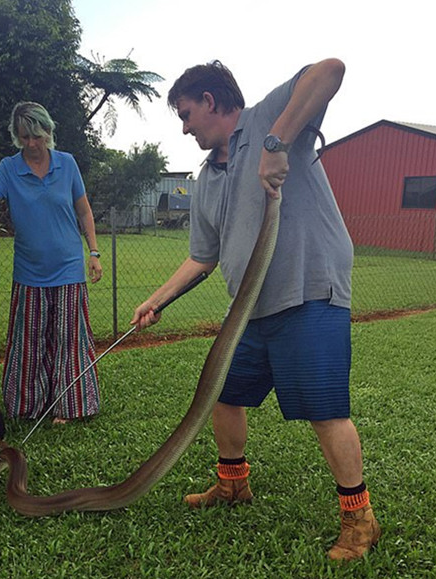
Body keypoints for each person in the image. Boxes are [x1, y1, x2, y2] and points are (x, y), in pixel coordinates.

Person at [131, 59, 380, 561]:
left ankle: (360, 520)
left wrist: (275, 143)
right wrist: (157, 299)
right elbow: (203, 256)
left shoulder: (269, 116)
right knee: (224, 392)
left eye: (185, 113)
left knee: (324, 410)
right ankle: (232, 484)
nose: (183, 127)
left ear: (210, 101)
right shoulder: (205, 179)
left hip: (308, 290)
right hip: (251, 308)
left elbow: (329, 70)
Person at [0, 101, 102, 424]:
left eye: (37, 136)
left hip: (69, 269)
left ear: (48, 132)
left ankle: (68, 407)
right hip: (29, 272)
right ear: (17, 137)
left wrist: (94, 252)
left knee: (69, 340)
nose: (32, 144)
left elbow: (84, 211)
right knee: (28, 341)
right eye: (24, 137)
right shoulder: (8, 168)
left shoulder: (68, 164)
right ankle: (28, 406)